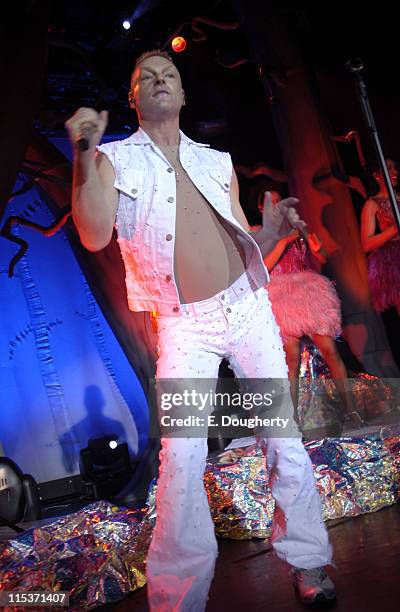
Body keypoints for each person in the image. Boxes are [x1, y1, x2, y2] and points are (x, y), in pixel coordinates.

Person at [66, 50, 335, 610]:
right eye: (148, 78)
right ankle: (178, 598)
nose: (160, 82)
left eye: (170, 76)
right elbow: (92, 234)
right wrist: (84, 153)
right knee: (183, 459)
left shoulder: (218, 162)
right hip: (185, 327)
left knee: (281, 437)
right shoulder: (114, 160)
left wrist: (272, 229)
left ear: (184, 96)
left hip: (247, 309)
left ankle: (310, 563)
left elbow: (246, 249)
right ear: (133, 98)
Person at [261, 190, 360, 433]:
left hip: (308, 294)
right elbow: (263, 267)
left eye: (278, 200)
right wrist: (283, 241)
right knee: (290, 361)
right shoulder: (261, 234)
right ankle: (291, 422)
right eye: (270, 202)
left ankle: (352, 412)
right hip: (281, 297)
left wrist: (317, 248)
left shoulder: (299, 229)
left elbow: (320, 256)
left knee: (330, 351)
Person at [361, 159, 400, 314]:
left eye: (395, 169)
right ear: (377, 175)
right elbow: (366, 244)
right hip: (394, 260)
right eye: (389, 168)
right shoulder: (372, 204)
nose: (395, 172)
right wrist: (392, 231)